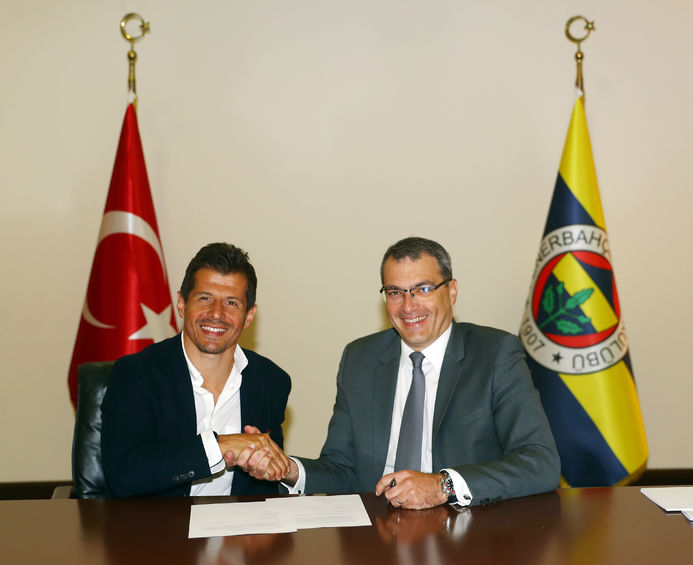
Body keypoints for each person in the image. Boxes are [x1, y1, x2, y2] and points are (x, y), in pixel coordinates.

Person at [280, 236, 560, 508]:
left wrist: (443, 486)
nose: (408, 306)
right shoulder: (360, 359)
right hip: (376, 527)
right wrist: (289, 469)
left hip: (464, 525)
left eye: (423, 289)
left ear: (452, 292)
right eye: (395, 292)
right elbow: (342, 469)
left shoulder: (495, 354)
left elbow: (540, 462)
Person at [101, 242, 291, 497]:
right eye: (205, 298)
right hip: (159, 523)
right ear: (181, 303)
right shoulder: (136, 374)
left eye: (231, 302)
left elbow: (266, 486)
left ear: (249, 315)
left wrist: (267, 468)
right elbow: (124, 474)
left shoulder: (270, 381)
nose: (216, 313)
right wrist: (219, 446)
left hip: (239, 521)